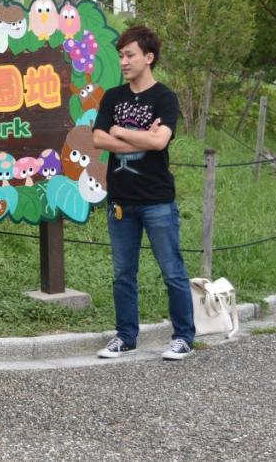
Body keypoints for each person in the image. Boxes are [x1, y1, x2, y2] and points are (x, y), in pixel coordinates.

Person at [91, 25, 194, 361]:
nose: (123, 61)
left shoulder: (165, 97)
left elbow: (160, 141)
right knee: (123, 273)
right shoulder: (113, 97)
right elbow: (97, 139)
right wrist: (137, 136)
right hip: (121, 201)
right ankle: (125, 336)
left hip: (157, 200)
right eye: (121, 55)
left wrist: (119, 130)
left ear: (148, 58)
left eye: (130, 55)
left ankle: (183, 336)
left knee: (172, 270)